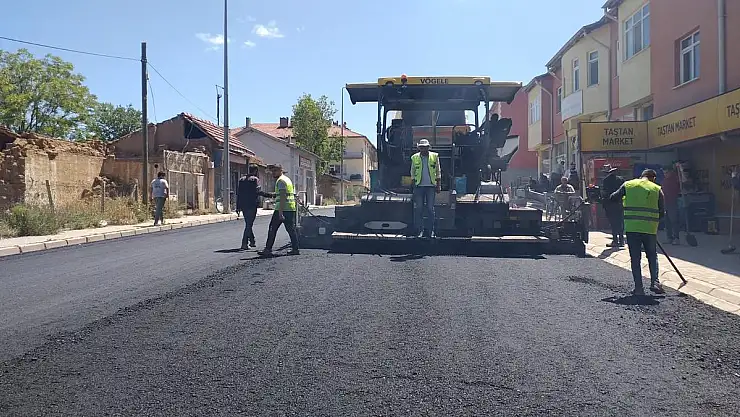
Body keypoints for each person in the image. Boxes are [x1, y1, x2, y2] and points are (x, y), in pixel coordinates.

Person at [610, 169, 666, 295]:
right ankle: (655, 282)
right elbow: (662, 212)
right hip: (650, 229)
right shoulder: (656, 189)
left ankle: (639, 288)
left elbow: (613, 198)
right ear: (653, 178)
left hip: (632, 228)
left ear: (641, 176)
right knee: (652, 256)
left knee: (635, 258)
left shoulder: (628, 185)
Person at [258, 164, 300, 257]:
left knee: (272, 229)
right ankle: (295, 249)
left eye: (275, 171)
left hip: (282, 209)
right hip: (290, 208)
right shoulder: (287, 179)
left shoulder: (281, 181)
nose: (273, 173)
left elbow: (282, 197)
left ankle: (268, 249)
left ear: (281, 171)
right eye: (272, 171)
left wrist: (280, 212)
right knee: (291, 229)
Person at [410, 138, 441, 238]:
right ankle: (420, 230)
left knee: (430, 209)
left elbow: (438, 171)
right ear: (419, 148)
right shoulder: (414, 157)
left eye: (425, 147)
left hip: (431, 187)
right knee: (419, 208)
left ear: (428, 147)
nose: (423, 149)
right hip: (419, 186)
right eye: (422, 147)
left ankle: (430, 231)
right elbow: (412, 172)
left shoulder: (434, 156)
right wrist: (413, 186)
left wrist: (438, 185)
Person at [236, 165, 270, 250]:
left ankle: (252, 240)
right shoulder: (255, 179)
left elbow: (239, 193)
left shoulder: (241, 179)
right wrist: (270, 195)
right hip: (252, 204)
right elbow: (258, 191)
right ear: (255, 171)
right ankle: (244, 243)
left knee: (248, 223)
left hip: (243, 205)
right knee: (249, 224)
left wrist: (238, 206)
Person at [601, 164, 625, 247]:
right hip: (619, 203)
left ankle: (615, 240)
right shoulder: (621, 179)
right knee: (620, 222)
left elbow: (604, 192)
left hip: (610, 204)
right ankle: (621, 241)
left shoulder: (606, 180)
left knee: (613, 223)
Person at [661, 168, 681, 245]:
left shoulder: (675, 180)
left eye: (666, 172)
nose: (665, 174)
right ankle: (669, 238)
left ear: (670, 172)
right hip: (665, 203)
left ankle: (676, 238)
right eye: (664, 173)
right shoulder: (664, 181)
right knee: (667, 222)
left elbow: (682, 184)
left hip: (673, 203)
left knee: (674, 221)